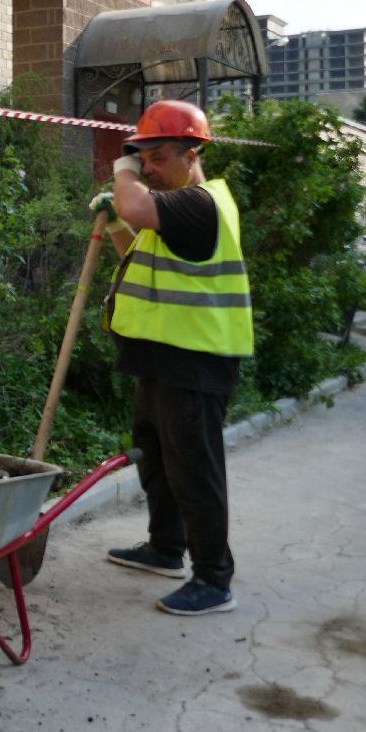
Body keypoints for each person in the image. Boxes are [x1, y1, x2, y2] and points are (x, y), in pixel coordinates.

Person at [89, 99, 254, 617]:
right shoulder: (176, 214)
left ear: (192, 153)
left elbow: (139, 206)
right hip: (164, 359)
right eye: (145, 159)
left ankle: (213, 579)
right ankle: (165, 549)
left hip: (197, 362)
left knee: (194, 469)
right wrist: (116, 221)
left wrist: (123, 167)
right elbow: (139, 254)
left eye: (157, 158)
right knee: (157, 457)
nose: (149, 169)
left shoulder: (201, 204)